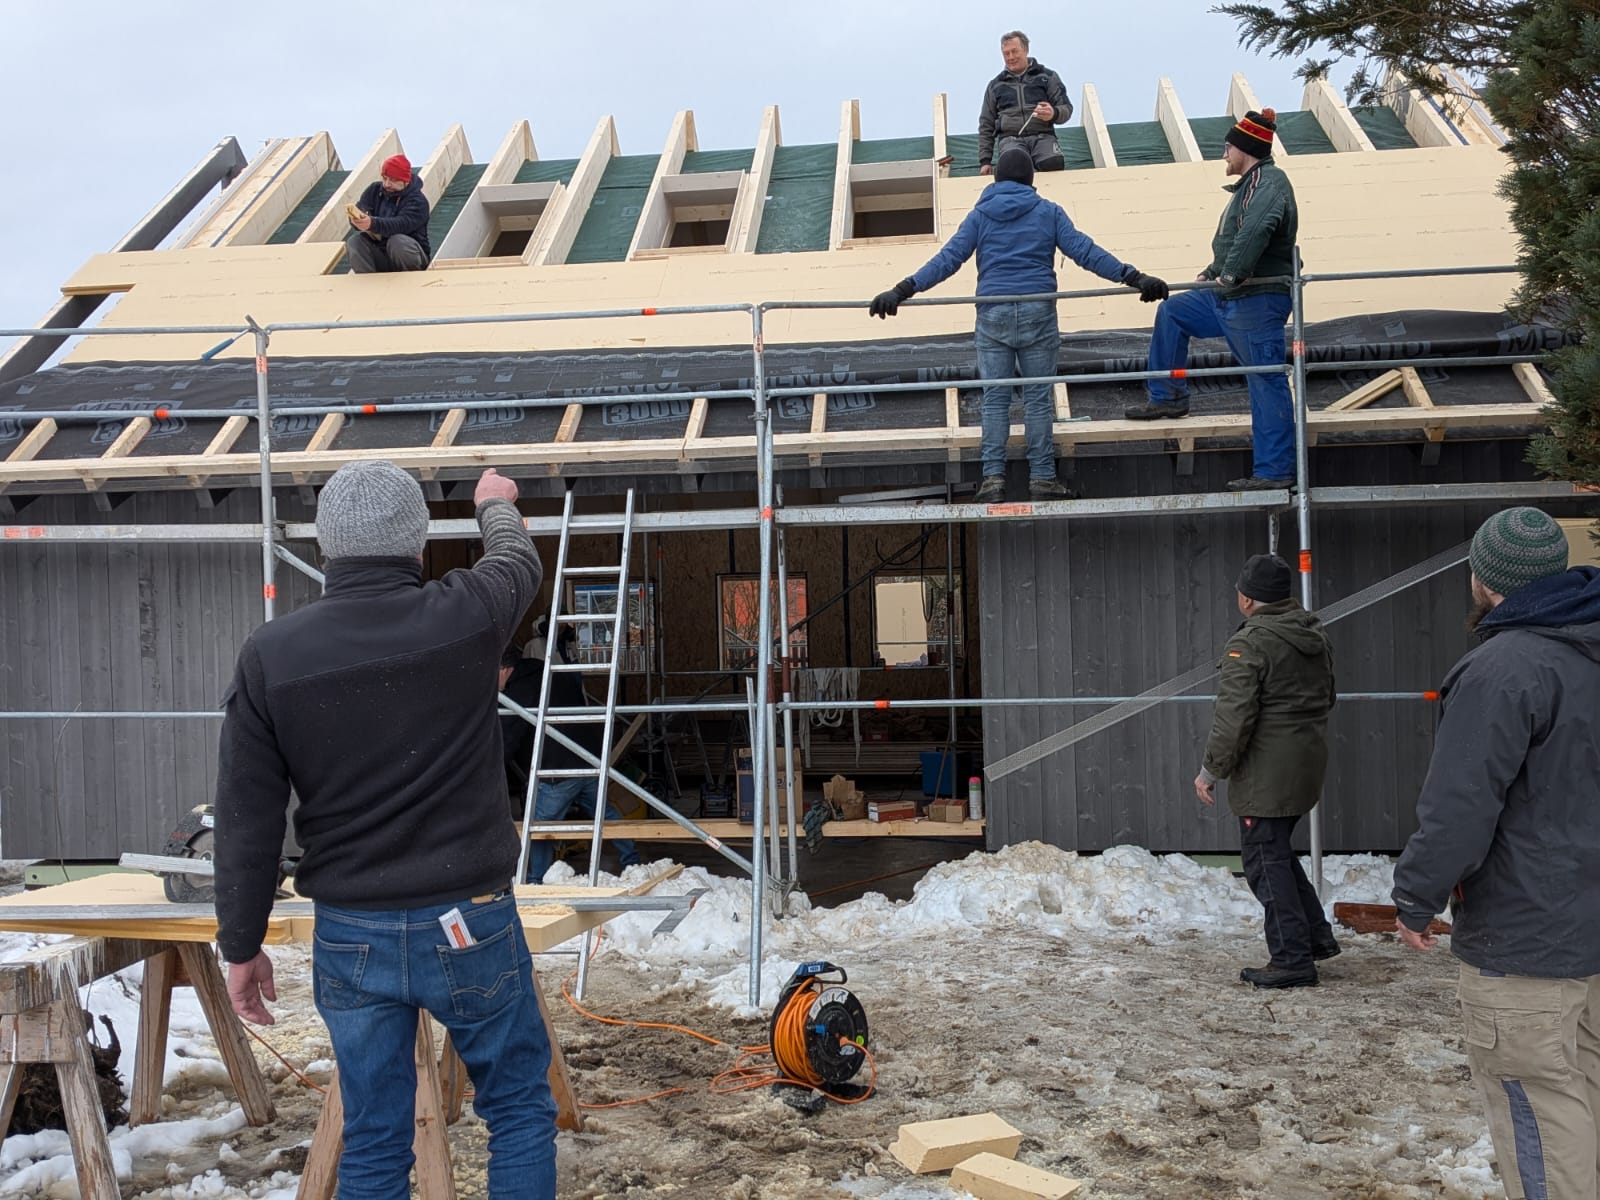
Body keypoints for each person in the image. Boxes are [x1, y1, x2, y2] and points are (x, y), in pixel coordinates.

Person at [213, 460, 558, 1199]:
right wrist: (494, 503)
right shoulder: (466, 614)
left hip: (352, 933)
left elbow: (247, 816)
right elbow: (517, 560)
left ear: (325, 544)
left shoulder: (273, 654)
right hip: (469, 920)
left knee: (373, 1136)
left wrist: (241, 943)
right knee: (519, 1111)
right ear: (418, 543)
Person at [1391, 507, 1600, 1199]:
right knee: (1585, 1094)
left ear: (1485, 580)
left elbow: (1459, 806)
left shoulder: (1503, 669)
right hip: (1590, 930)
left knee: (1539, 1107)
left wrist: (1416, 896)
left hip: (1527, 937)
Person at [869, 146, 1167, 503]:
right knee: (1037, 399)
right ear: (1030, 179)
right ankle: (1042, 478)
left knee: (995, 399)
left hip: (993, 313)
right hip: (1037, 312)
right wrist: (1134, 277)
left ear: (996, 180)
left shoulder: (980, 216)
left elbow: (948, 259)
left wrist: (902, 290)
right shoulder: (1048, 212)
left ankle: (993, 480)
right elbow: (1086, 252)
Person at [1125, 109, 1299, 492]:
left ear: (1244, 149)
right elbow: (1238, 238)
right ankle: (1169, 396)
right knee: (1173, 311)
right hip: (1229, 296)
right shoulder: (1251, 185)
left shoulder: (1268, 183)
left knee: (1265, 380)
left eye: (1228, 148)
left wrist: (1231, 275)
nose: (1224, 155)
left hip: (1255, 300)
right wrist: (1211, 272)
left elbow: (1256, 230)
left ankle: (1274, 472)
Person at [1194, 553, 1339, 988]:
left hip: (1267, 775)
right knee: (1277, 854)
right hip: (1305, 765)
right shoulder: (1312, 632)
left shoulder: (1251, 643)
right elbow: (1328, 696)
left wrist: (1209, 772)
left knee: (1264, 863)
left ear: (1247, 599)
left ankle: (1292, 959)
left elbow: (1232, 718)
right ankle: (1313, 938)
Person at [501, 628, 642, 882]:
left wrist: (490, 763)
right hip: (588, 759)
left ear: (503, 669)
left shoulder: (520, 690)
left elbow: (509, 735)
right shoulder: (547, 671)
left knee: (539, 826)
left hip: (557, 770)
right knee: (606, 815)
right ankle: (633, 863)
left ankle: (535, 880)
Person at [978, 30, 1073, 174]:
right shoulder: (995, 86)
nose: (1010, 57)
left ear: (1026, 49)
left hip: (1043, 137)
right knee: (1012, 167)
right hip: (1010, 140)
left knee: (1052, 163)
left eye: (1014, 51)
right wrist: (985, 161)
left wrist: (1053, 113)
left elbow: (1066, 108)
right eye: (1006, 53)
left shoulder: (1047, 77)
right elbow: (986, 123)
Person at [345, 154, 431, 274]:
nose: (387, 184)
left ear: (405, 180)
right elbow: (362, 207)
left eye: (393, 180)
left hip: (409, 258)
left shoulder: (418, 202)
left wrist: (372, 223)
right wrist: (357, 219)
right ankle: (367, 282)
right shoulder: (374, 191)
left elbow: (400, 225)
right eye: (385, 178)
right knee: (355, 242)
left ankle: (411, 281)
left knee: (397, 242)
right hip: (381, 255)